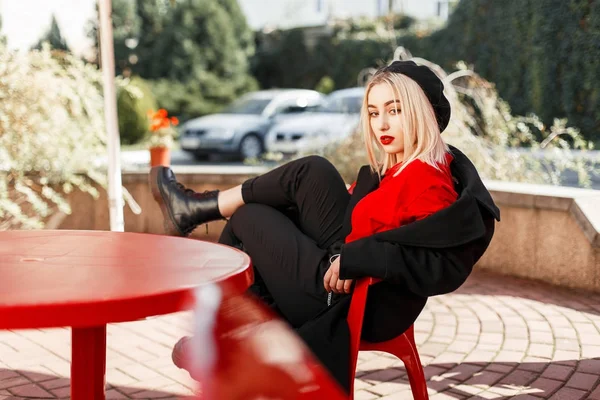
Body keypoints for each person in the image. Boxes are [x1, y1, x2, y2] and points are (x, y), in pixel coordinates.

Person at [149, 60, 501, 393]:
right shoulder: (405, 167)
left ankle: (223, 330)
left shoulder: (429, 184)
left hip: (350, 299)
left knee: (248, 218)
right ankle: (227, 319)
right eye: (375, 112)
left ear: (422, 113)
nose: (381, 125)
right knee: (311, 173)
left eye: (395, 111)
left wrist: (358, 259)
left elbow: (436, 265)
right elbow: (378, 219)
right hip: (343, 265)